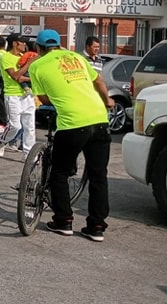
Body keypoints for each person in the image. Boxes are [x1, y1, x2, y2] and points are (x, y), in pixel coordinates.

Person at [28, 29, 113, 241]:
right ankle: (97, 227)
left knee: (59, 173)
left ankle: (63, 220)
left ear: (39, 48)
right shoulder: (77, 57)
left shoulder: (37, 66)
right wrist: (107, 101)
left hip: (72, 123)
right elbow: (99, 82)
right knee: (98, 175)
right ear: (59, 45)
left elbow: (44, 99)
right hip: (99, 119)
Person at [0, 33, 36, 157]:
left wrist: (28, 78)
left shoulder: (25, 56)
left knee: (30, 126)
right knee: (15, 126)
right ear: (14, 43)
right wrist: (28, 66)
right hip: (13, 95)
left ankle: (28, 154)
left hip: (27, 95)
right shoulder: (6, 57)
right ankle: (2, 141)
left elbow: (30, 75)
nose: (24, 44)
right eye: (22, 42)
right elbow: (16, 76)